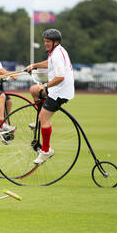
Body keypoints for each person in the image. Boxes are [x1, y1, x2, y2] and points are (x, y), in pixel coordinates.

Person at [26, 28, 74, 165]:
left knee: (44, 117)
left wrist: (45, 86)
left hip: (60, 91)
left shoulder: (58, 54)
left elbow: (60, 77)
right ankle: (40, 121)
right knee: (34, 90)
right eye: (45, 41)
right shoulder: (55, 52)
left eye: (48, 42)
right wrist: (34, 66)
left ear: (56, 42)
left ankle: (46, 151)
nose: (45, 44)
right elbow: (49, 64)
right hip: (56, 89)